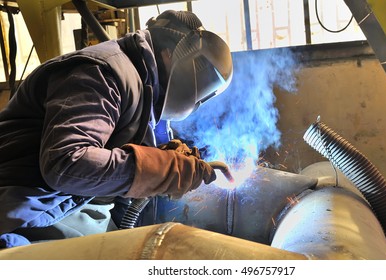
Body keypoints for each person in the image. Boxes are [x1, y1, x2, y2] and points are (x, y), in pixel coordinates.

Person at [0, 10, 233, 248]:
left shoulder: (145, 87)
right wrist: (159, 168)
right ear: (168, 53)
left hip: (65, 207)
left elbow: (108, 160)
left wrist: (161, 158)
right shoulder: (101, 71)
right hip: (20, 212)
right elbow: (65, 163)